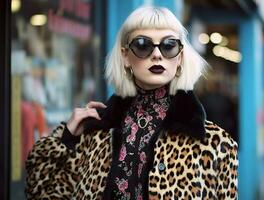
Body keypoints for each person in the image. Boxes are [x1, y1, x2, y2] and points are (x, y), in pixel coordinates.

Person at [25, 6, 238, 200]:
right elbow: (39, 190)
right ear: (125, 56)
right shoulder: (96, 134)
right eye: (143, 45)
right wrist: (67, 135)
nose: (156, 55)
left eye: (169, 45)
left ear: (180, 57)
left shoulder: (216, 145)